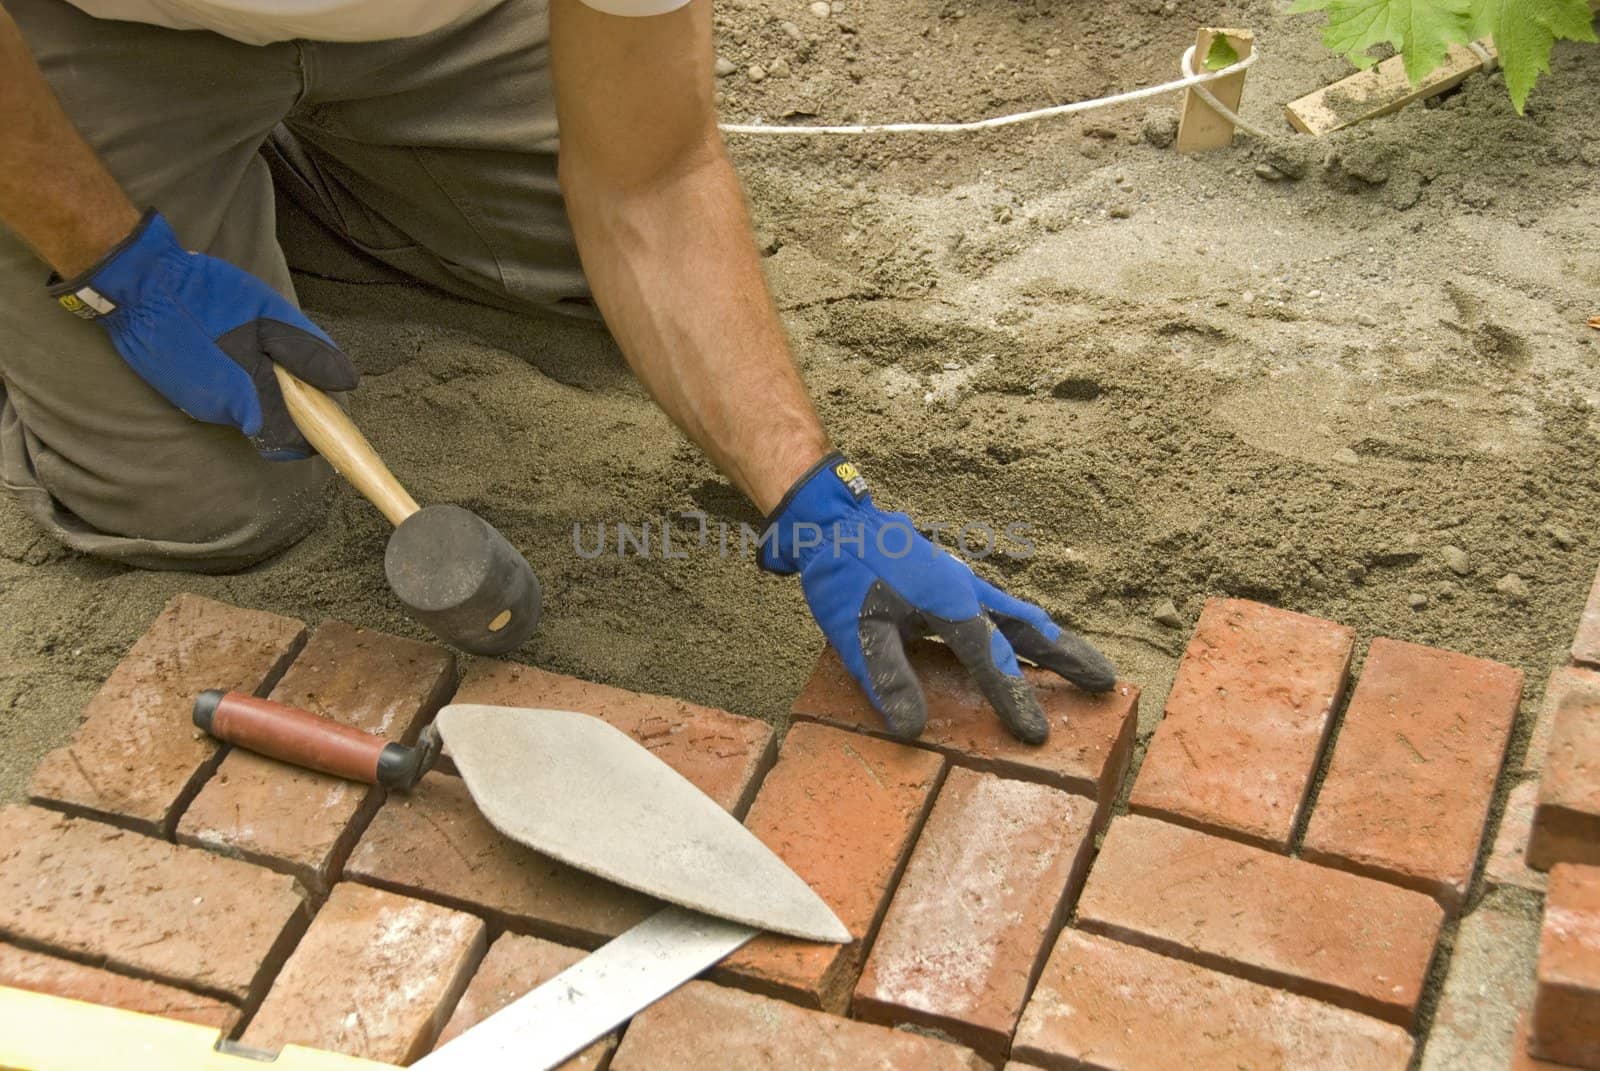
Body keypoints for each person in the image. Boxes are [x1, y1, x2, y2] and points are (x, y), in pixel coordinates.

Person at [0, 0, 1114, 743]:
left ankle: (275, 196)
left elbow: (653, 177)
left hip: (435, 20)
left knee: (600, 299)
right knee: (210, 512)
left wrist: (819, 498)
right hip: (84, 31)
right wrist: (118, 264)